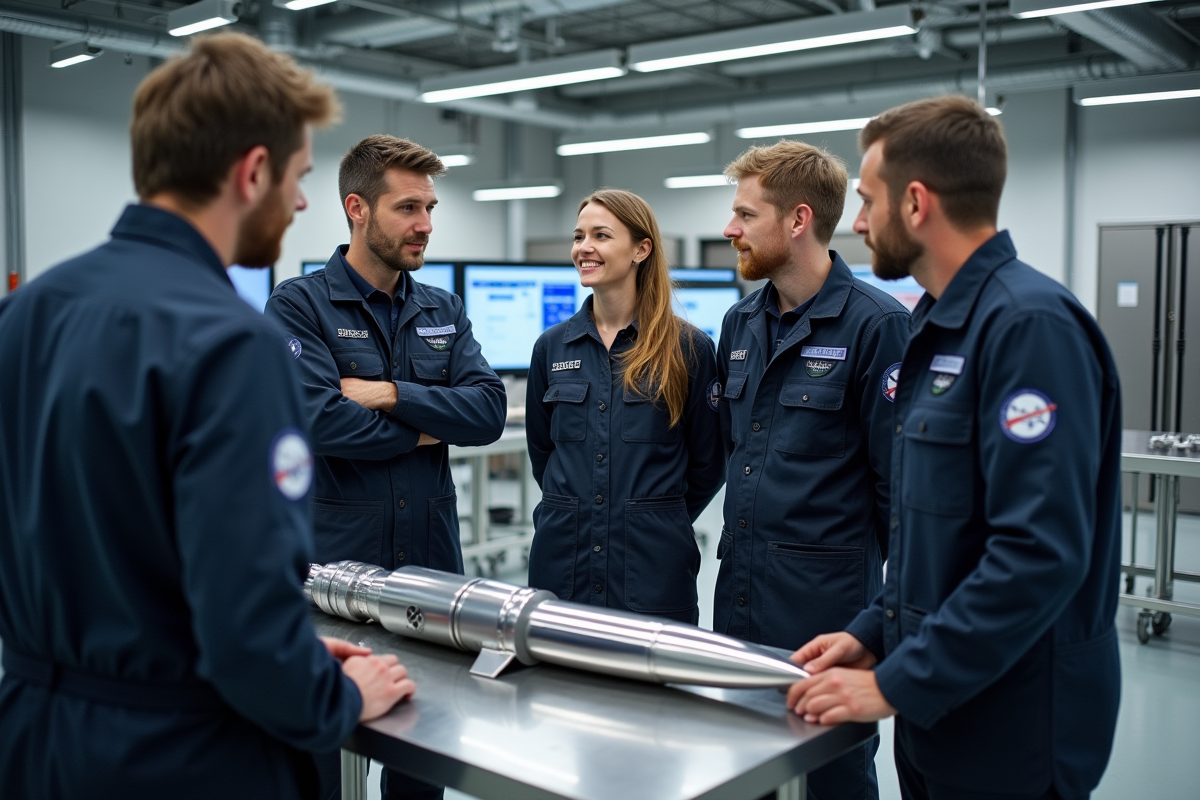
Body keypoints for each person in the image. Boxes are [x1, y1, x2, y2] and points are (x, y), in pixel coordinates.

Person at [0, 34, 414, 799]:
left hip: (33, 735)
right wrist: (338, 697)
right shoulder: (232, 344)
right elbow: (247, 627)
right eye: (295, 178)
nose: (297, 202)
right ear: (252, 170)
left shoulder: (25, 314)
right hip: (180, 754)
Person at [788, 96, 1122, 800]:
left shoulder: (1029, 328)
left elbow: (1037, 555)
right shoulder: (938, 327)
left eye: (868, 200)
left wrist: (895, 683)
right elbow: (935, 533)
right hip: (941, 705)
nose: (856, 222)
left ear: (916, 204)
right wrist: (873, 631)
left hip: (1015, 722)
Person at [266, 135, 506, 800]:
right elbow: (321, 422)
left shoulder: (442, 309)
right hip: (332, 581)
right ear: (357, 209)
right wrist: (434, 424)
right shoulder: (299, 306)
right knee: (320, 771)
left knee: (421, 771)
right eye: (408, 207)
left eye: (430, 207)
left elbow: (486, 413)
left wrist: (390, 395)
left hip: (430, 586)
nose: (425, 224)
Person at [716, 141, 910, 800]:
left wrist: (879, 626)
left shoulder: (878, 327)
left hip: (826, 619)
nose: (729, 229)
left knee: (832, 777)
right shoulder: (739, 324)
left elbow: (901, 496)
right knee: (744, 770)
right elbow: (727, 451)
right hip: (738, 602)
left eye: (745, 214)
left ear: (798, 220)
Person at [525, 189, 725, 624]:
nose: (584, 248)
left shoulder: (688, 348)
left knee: (652, 691)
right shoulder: (552, 347)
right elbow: (543, 454)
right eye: (579, 236)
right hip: (563, 566)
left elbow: (709, 462)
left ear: (641, 249)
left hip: (652, 572)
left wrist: (653, 515)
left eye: (601, 235)